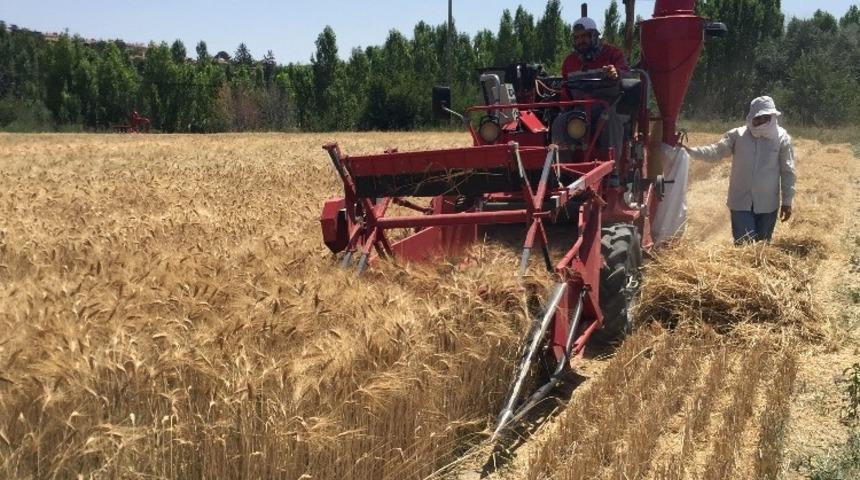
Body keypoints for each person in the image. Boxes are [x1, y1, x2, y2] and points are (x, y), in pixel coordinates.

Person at [684, 96, 796, 244]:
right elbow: (716, 151)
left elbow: (787, 171)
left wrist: (787, 201)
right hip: (740, 201)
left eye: (764, 117)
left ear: (772, 116)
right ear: (751, 116)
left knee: (762, 248)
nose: (760, 121)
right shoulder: (738, 135)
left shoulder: (782, 138)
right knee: (744, 247)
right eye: (757, 117)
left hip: (768, 204)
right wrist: (690, 152)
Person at [561, 17, 629, 83]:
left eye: (584, 36)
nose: (580, 41)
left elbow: (627, 75)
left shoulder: (613, 54)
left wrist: (616, 73)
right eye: (576, 37)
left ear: (594, 35)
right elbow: (565, 90)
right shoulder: (569, 62)